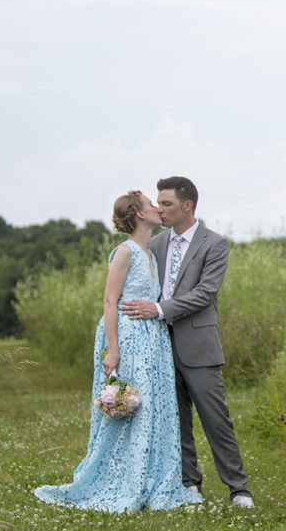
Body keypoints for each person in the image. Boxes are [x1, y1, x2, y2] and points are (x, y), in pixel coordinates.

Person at [34, 191, 201, 512]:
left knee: (152, 407)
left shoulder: (150, 254)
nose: (157, 208)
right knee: (129, 404)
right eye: (152, 205)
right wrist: (113, 350)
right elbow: (110, 301)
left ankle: (152, 477)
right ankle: (121, 479)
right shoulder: (124, 252)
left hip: (152, 340)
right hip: (126, 337)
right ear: (139, 214)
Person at [119, 176, 253, 508]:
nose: (160, 209)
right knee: (175, 419)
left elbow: (205, 294)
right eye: (158, 203)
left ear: (187, 205)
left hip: (200, 345)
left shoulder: (215, 244)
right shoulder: (156, 244)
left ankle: (239, 489)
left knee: (215, 418)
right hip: (160, 346)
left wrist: (159, 309)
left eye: (166, 204)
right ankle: (189, 483)